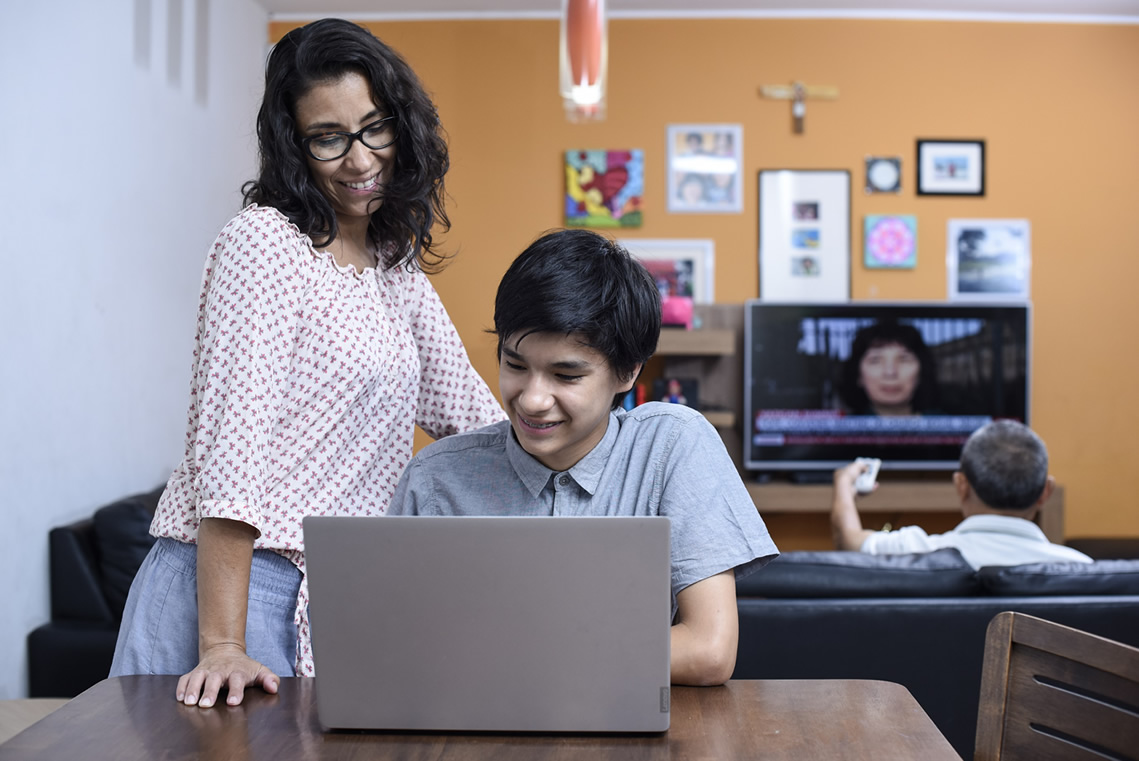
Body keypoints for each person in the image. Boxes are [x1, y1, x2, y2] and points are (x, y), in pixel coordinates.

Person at [109, 19, 505, 708]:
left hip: (332, 595)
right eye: (329, 137)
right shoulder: (264, 245)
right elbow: (229, 458)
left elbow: (470, 419)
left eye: (374, 127)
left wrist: (600, 451)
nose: (359, 160)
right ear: (295, 145)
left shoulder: (393, 266)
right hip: (234, 594)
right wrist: (223, 644)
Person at [388, 229, 779, 686]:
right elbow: (395, 648)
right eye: (515, 365)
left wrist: (510, 653)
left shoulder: (673, 446)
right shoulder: (435, 479)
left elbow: (709, 651)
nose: (532, 399)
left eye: (565, 374)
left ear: (628, 372)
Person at [830, 420, 1093, 569]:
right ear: (1045, 492)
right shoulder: (1082, 571)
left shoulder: (915, 552)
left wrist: (843, 484)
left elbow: (849, 540)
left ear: (961, 485)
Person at [839, 320, 940, 416]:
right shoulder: (839, 430)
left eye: (903, 360)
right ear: (858, 375)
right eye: (875, 360)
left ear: (921, 372)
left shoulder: (946, 424)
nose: (890, 372)